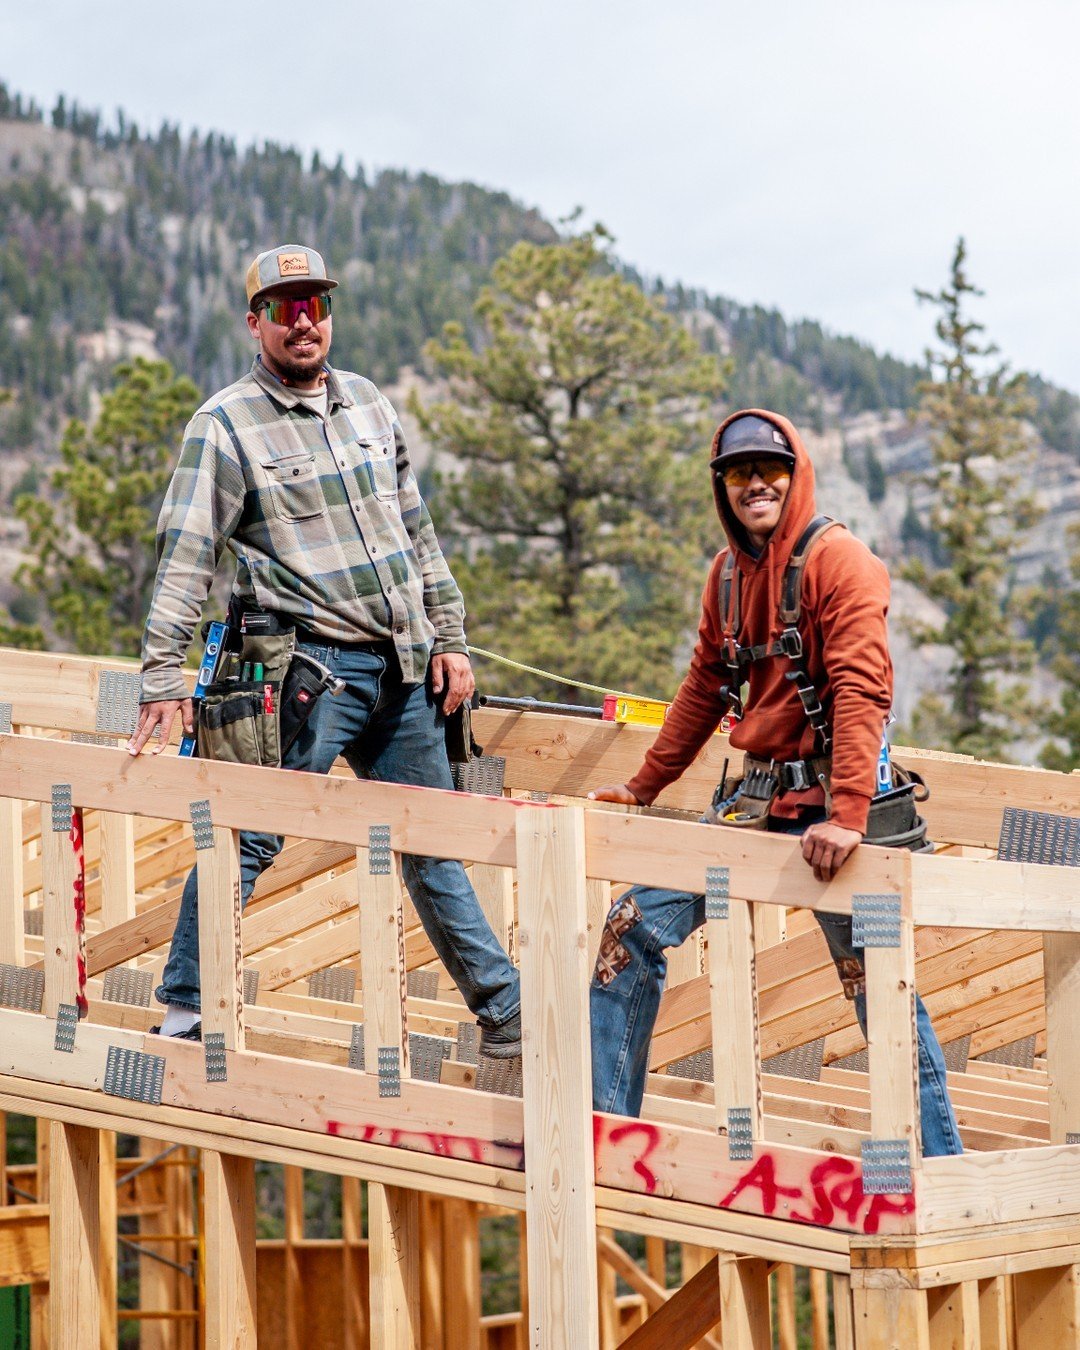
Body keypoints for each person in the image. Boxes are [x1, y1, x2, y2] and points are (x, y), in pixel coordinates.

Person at [128, 243, 521, 1057]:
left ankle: (507, 1016)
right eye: (283, 308)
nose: (303, 320)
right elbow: (186, 553)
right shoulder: (226, 424)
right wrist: (164, 677)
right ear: (256, 323)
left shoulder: (370, 404)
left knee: (433, 838)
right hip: (307, 671)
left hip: (403, 667)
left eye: (314, 304)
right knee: (251, 830)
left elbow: (417, 531)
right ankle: (187, 1006)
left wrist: (448, 636)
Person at [588, 409, 962, 1155]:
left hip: (834, 812)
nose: (754, 483)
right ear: (722, 487)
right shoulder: (727, 577)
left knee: (875, 983)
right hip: (754, 805)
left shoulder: (841, 562)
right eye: (737, 473)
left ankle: (938, 1166)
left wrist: (849, 814)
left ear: (796, 475)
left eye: (769, 469)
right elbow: (703, 687)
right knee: (629, 931)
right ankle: (607, 1138)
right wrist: (643, 788)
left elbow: (862, 691)